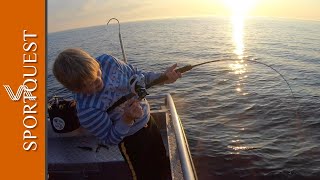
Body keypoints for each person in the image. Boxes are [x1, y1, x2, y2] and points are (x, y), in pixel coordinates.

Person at [53, 48, 182, 180]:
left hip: (149, 122)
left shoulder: (108, 62)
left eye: (97, 72)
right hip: (131, 140)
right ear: (76, 89)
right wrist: (127, 119)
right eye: (90, 83)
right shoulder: (87, 110)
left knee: (162, 160)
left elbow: (137, 74)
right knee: (145, 174)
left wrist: (163, 78)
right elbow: (110, 138)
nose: (98, 80)